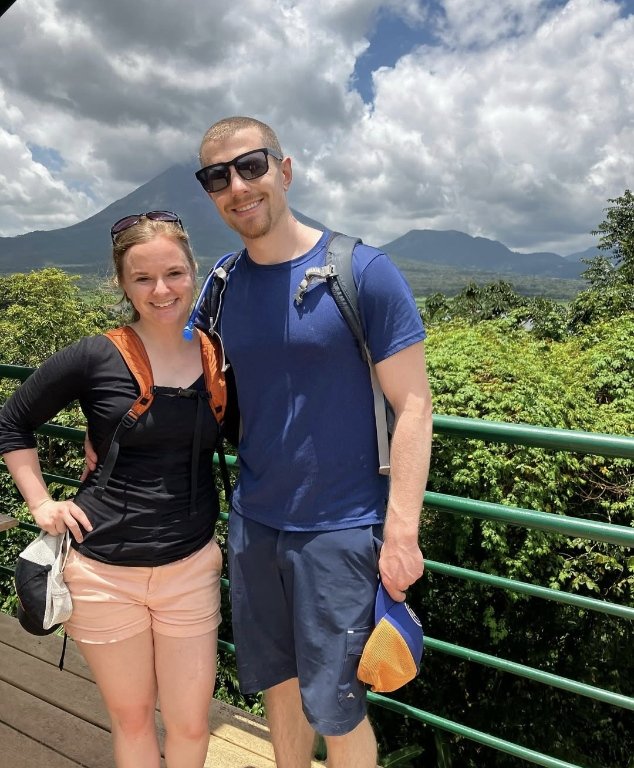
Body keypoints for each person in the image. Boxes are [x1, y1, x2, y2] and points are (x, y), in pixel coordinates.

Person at [192, 116, 433, 768]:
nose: (237, 186)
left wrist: (402, 532)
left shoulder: (364, 272)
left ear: (285, 169)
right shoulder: (222, 286)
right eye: (217, 177)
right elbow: (173, 378)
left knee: (338, 707)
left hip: (343, 531)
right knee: (279, 687)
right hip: (253, 523)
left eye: (251, 166)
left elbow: (413, 405)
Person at [0, 212, 225, 768]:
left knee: (192, 723)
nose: (161, 289)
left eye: (173, 273)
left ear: (192, 272)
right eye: (143, 278)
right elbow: (12, 422)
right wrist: (41, 504)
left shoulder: (216, 356)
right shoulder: (96, 355)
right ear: (122, 285)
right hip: (102, 574)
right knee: (131, 719)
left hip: (191, 565)